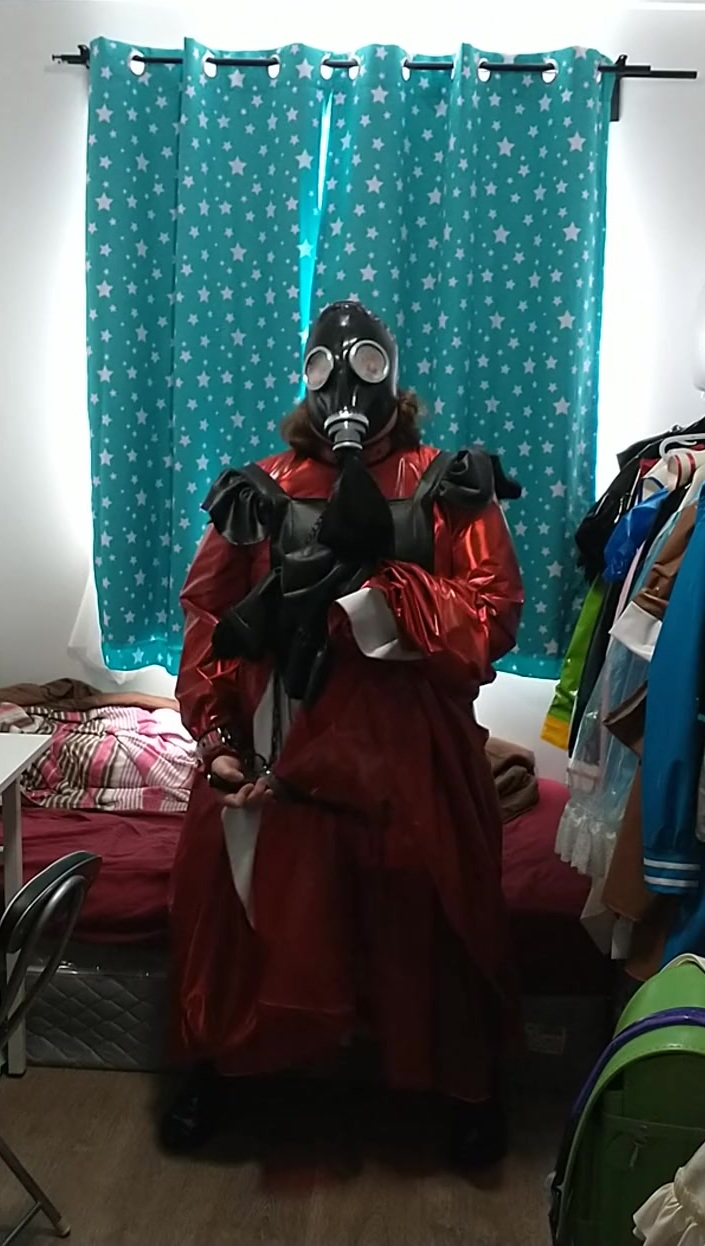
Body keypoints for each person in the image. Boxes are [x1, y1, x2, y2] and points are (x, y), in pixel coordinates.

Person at [163, 300, 524, 1165]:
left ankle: (461, 1084)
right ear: (307, 381)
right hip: (280, 738)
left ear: (391, 375)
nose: (346, 388)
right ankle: (216, 1066)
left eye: (364, 364)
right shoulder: (259, 488)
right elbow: (209, 617)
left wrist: (390, 595)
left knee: (432, 907)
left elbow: (492, 616)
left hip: (410, 748)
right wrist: (216, 736)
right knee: (236, 903)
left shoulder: (448, 484)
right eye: (326, 368)